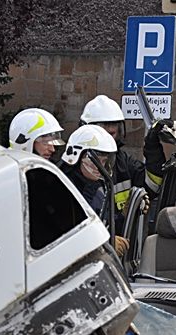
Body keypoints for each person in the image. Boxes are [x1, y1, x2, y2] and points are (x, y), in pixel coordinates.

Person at [79, 95, 170, 232]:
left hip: (124, 245)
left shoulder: (124, 163)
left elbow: (152, 185)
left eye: (114, 127)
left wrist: (153, 148)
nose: (110, 131)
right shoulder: (73, 167)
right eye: (103, 127)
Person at [59, 125, 129, 256]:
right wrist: (105, 243)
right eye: (94, 161)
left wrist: (127, 213)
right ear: (76, 157)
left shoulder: (99, 187)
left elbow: (106, 221)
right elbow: (66, 236)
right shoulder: (62, 188)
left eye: (103, 161)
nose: (100, 167)